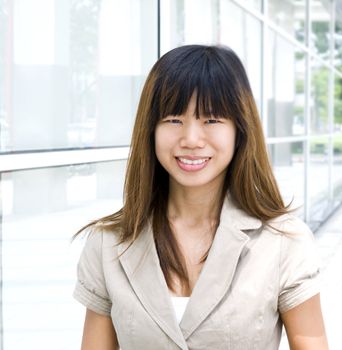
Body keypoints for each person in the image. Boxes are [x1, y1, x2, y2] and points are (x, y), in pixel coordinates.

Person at [73, 45, 328, 350]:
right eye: (173, 119)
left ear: (239, 130)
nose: (191, 139)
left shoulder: (284, 240)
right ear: (151, 129)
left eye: (211, 120)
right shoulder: (108, 242)